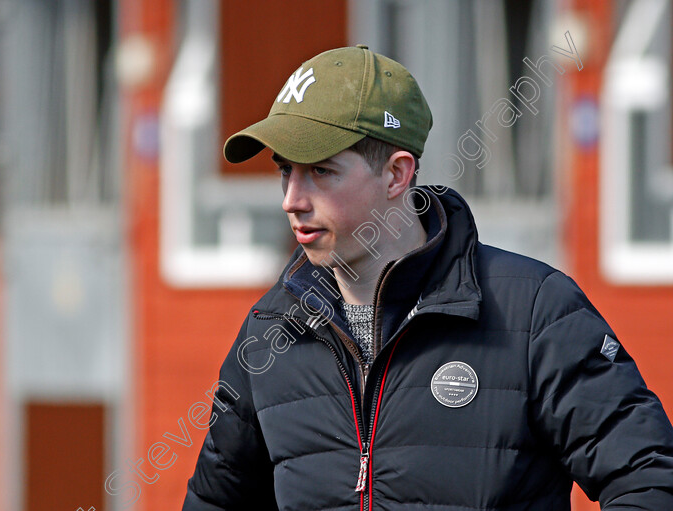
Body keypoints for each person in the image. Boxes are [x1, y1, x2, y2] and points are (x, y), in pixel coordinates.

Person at [181, 45, 673, 510]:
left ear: (397, 175)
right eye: (286, 171)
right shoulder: (271, 331)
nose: (292, 199)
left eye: (320, 171)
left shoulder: (536, 311)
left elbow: (651, 480)